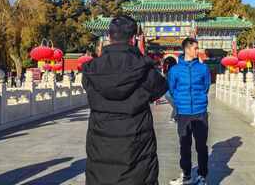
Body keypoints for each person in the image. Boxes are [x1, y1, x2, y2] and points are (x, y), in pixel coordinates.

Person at [81, 16, 168, 185]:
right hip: (136, 146)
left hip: (101, 145)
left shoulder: (91, 69)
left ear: (109, 37)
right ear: (133, 38)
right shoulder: (143, 69)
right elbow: (160, 88)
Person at [168, 37, 211, 185]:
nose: (198, 51)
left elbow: (206, 86)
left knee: (201, 146)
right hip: (183, 113)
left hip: (200, 112)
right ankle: (186, 175)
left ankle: (202, 175)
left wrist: (199, 100)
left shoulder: (203, 68)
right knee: (184, 146)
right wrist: (181, 102)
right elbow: (172, 90)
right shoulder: (175, 70)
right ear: (187, 49)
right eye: (195, 48)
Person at [163, 56, 178, 122]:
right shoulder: (172, 71)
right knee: (177, 106)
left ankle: (174, 118)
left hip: (167, 93)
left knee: (176, 106)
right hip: (170, 93)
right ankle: (173, 118)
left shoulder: (167, 71)